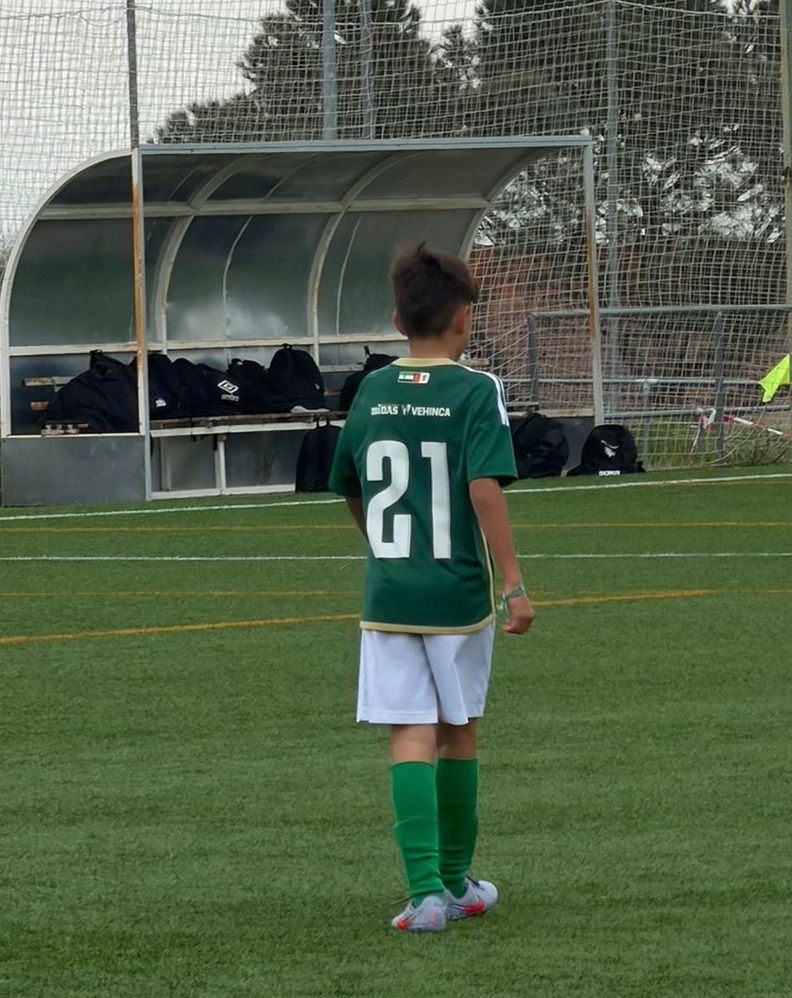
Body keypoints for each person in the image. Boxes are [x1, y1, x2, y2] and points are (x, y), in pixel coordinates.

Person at [330, 243, 536, 932]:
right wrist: (514, 585)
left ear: (397, 320)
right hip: (456, 594)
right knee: (458, 731)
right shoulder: (476, 390)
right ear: (464, 318)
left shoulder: (371, 390)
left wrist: (383, 548)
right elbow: (484, 487)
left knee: (407, 735)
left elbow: (349, 484)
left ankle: (422, 897)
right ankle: (454, 882)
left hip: (389, 594)